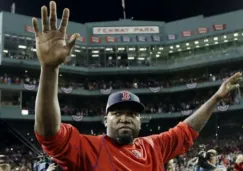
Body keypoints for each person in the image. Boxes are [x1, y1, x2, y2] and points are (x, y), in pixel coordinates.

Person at [33, 1, 242, 170]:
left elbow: (186, 130)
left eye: (132, 114)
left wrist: (216, 98)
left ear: (140, 121)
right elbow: (49, 133)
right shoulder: (88, 148)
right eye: (117, 113)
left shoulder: (154, 147)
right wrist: (49, 69)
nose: (125, 118)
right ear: (105, 119)